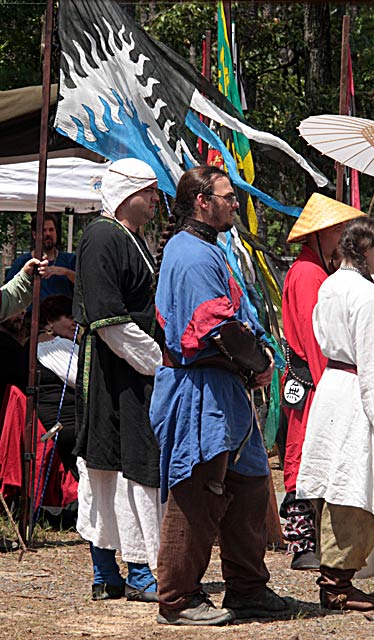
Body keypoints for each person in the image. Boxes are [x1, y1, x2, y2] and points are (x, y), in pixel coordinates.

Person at [150, 165, 295, 626]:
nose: (235, 203)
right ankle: (177, 598)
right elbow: (217, 329)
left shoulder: (208, 248)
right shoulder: (191, 254)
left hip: (225, 388)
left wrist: (258, 356)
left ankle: (247, 588)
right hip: (201, 389)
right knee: (198, 489)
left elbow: (236, 322)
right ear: (202, 201)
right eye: (228, 196)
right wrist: (259, 364)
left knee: (249, 486)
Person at [296, 216, 374, 612]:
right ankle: (336, 585)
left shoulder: (330, 286)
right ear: (363, 249)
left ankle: (336, 581)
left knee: (340, 484)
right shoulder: (365, 295)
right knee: (355, 488)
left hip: (334, 388)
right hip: (358, 393)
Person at [73, 158, 163, 603]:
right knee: (112, 464)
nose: (154, 200)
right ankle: (124, 570)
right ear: (126, 194)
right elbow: (108, 320)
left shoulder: (133, 237)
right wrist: (157, 361)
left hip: (132, 369)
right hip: (113, 370)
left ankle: (119, 570)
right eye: (148, 191)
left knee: (130, 463)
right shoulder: (102, 236)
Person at [280, 192, 365, 571]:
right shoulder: (307, 274)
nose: (342, 237)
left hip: (318, 378)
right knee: (303, 454)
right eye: (336, 231)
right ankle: (302, 543)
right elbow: (315, 337)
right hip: (313, 379)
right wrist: (330, 384)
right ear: (318, 234)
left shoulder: (316, 271)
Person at [37, 295, 79, 477]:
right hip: (66, 428)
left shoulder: (35, 344)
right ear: (50, 322)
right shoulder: (54, 345)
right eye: (69, 317)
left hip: (55, 426)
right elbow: (81, 379)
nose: (75, 323)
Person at [7, 213, 76, 300]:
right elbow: (9, 293)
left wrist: (66, 272)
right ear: (34, 234)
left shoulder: (70, 260)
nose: (48, 234)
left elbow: (85, 285)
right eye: (44, 230)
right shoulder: (22, 262)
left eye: (51, 230)